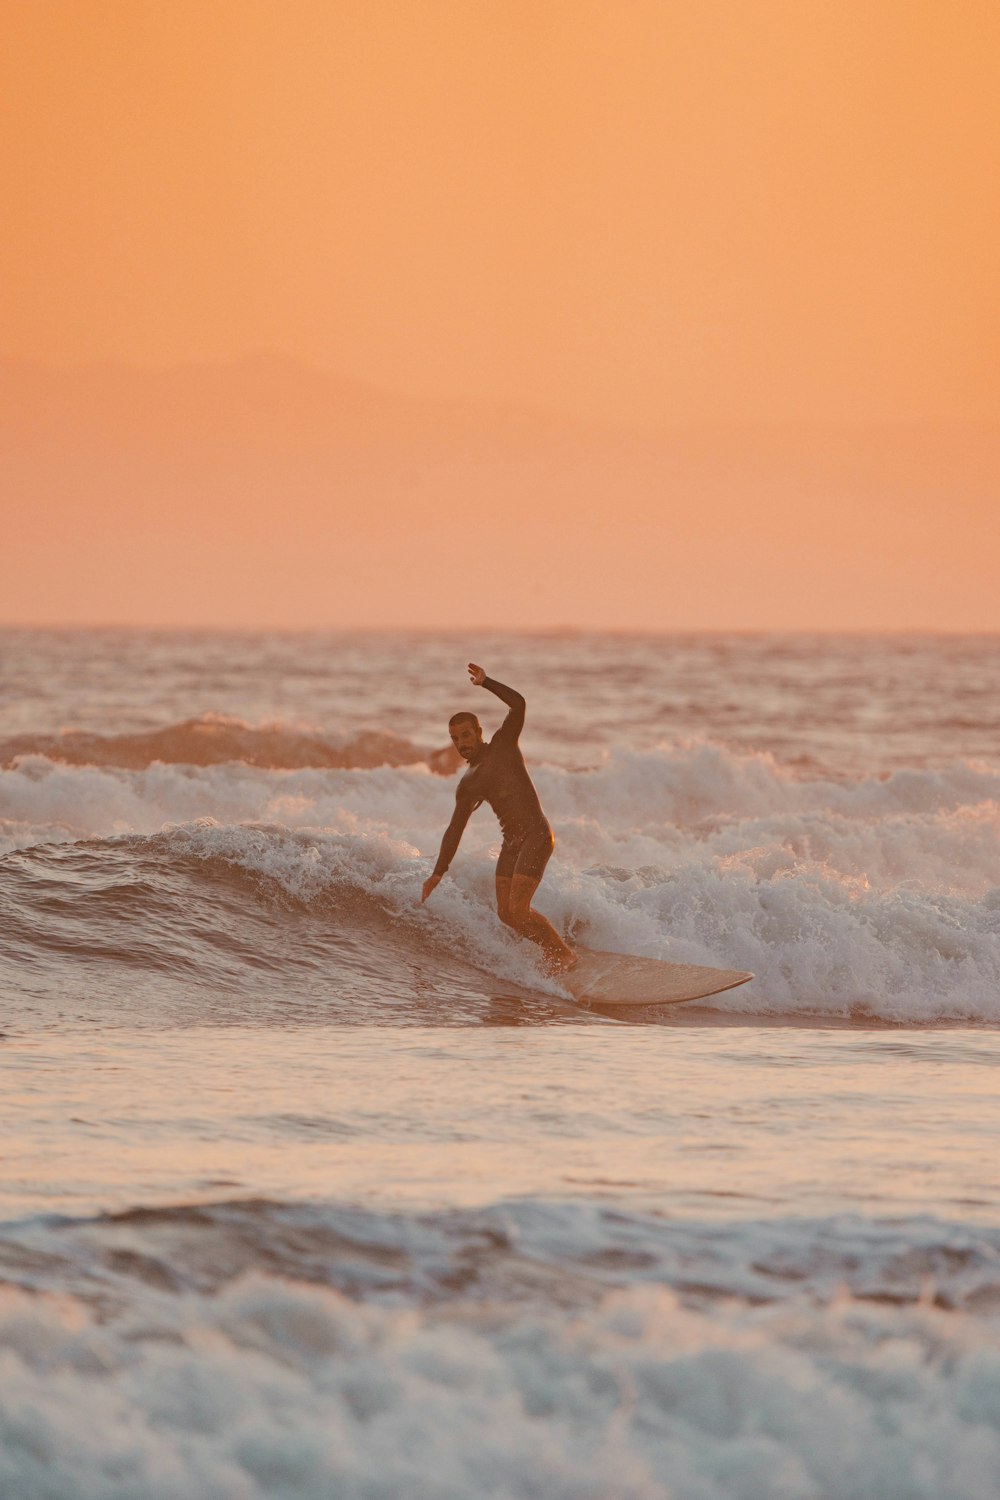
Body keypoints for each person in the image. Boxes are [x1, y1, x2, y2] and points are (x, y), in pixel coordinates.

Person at [421, 663, 575, 971]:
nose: (462, 743)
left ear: (479, 732)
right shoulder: (468, 783)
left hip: (535, 835)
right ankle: (552, 949)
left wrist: (486, 682)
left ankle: (563, 955)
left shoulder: (503, 746)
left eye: (466, 735)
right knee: (506, 915)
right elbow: (455, 828)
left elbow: (518, 704)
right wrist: (438, 872)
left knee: (519, 909)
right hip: (512, 842)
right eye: (455, 739)